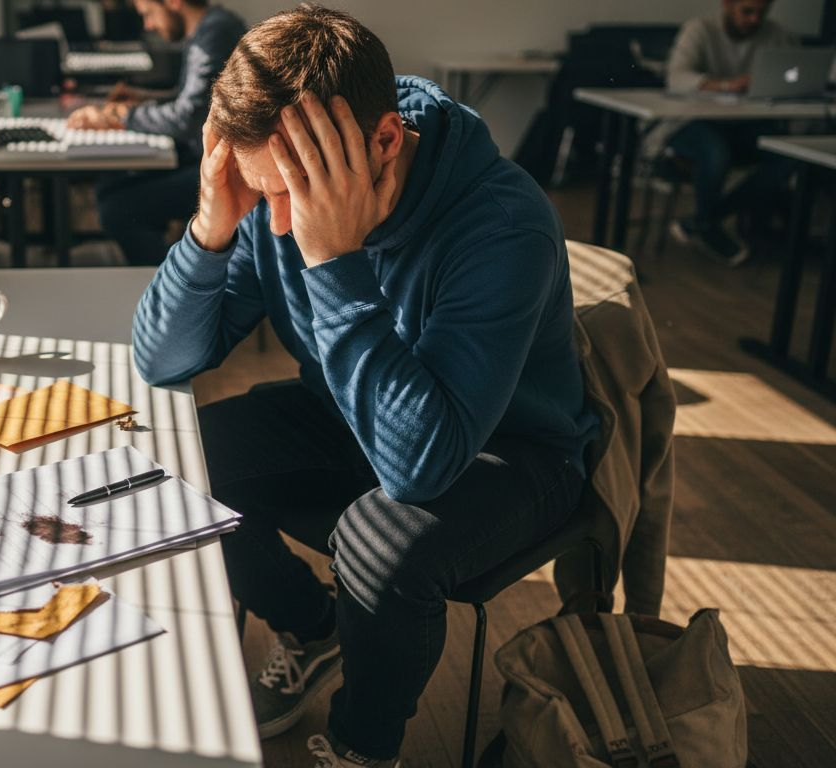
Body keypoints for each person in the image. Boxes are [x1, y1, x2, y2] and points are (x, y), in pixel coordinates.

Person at [131, 5, 599, 766]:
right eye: (261, 195)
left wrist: (333, 261)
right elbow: (161, 360)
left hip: (509, 448)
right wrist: (212, 229)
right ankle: (314, 628)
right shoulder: (272, 198)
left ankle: (363, 744)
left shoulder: (503, 224)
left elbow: (419, 468)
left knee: (378, 543)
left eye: (289, 195)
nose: (277, 226)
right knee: (181, 464)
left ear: (384, 140)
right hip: (355, 411)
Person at [67, 0, 245, 266]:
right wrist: (143, 100)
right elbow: (192, 100)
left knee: (117, 208)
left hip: (221, 169)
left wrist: (118, 116)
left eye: (148, 14)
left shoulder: (213, 33)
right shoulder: (211, 27)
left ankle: (174, 284)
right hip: (200, 155)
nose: (148, 25)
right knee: (109, 186)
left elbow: (187, 118)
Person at [664, 0, 798, 265]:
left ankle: (703, 221)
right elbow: (676, 78)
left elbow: (795, 76)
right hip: (691, 122)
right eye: (747, 11)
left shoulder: (777, 35)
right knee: (715, 151)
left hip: (744, 124)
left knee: (788, 154)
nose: (754, 20)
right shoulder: (699, 30)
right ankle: (706, 223)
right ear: (727, 5)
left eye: (761, 13)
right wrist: (727, 85)